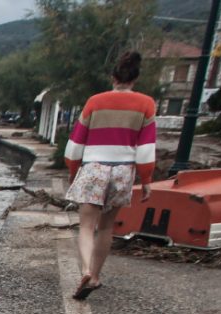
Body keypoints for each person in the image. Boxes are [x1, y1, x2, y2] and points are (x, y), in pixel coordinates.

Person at [63, 51, 157, 300]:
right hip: (124, 170)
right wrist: (146, 181)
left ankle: (84, 269)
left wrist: (73, 173)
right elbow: (146, 150)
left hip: (94, 167)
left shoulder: (95, 101)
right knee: (106, 228)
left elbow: (75, 145)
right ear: (135, 78)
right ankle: (94, 276)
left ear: (112, 77)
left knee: (86, 226)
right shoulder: (146, 104)